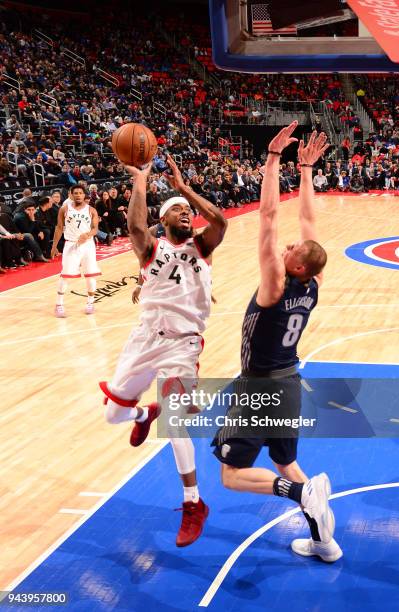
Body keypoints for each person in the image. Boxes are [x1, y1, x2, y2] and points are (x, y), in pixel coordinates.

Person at [213, 125, 342, 563]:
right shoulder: (314, 283)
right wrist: (305, 171)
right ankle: (324, 541)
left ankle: (302, 493)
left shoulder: (274, 285)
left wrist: (271, 160)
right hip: (289, 384)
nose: (288, 245)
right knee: (285, 461)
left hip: (259, 386)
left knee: (231, 475)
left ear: (296, 264)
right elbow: (309, 224)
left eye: (293, 250)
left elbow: (267, 219)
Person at [100, 155, 227, 547]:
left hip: (182, 343)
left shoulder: (202, 246)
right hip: (145, 340)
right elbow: (135, 226)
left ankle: (193, 502)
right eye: (178, 211)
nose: (186, 214)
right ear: (164, 220)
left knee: (175, 419)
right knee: (113, 415)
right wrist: (141, 179)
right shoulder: (150, 249)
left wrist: (185, 188)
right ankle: (143, 412)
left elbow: (220, 221)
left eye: (188, 212)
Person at [51, 185, 100, 317]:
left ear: (84, 195)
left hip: (88, 245)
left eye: (80, 193)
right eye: (75, 193)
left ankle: (90, 302)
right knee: (65, 274)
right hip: (71, 244)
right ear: (71, 195)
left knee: (90, 275)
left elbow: (95, 229)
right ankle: (59, 304)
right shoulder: (64, 209)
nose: (78, 195)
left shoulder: (92, 210)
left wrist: (88, 234)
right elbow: (59, 227)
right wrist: (54, 245)